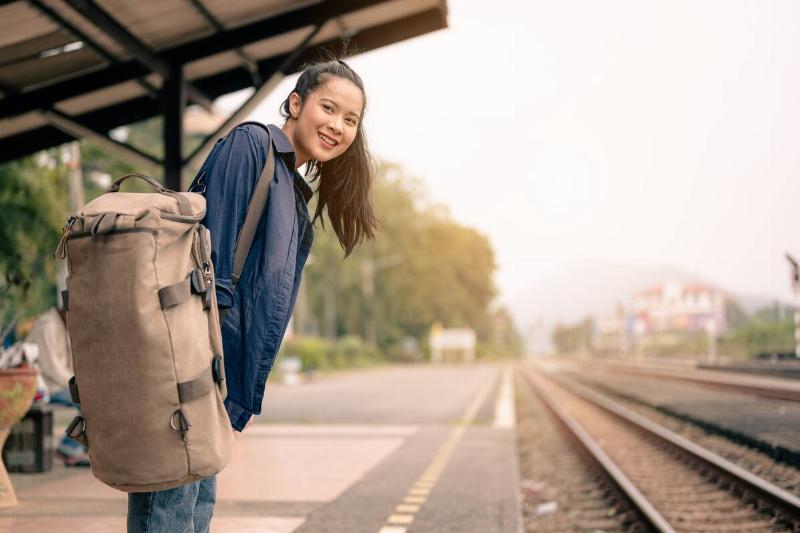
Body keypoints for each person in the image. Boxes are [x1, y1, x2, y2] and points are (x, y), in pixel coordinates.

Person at [126, 57, 377, 532]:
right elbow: (210, 267)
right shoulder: (252, 146)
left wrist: (240, 389)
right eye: (329, 108)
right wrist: (209, 375)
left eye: (351, 120)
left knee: (190, 507)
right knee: (174, 509)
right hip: (196, 365)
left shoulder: (291, 191)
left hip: (218, 376)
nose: (337, 126)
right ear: (297, 103)